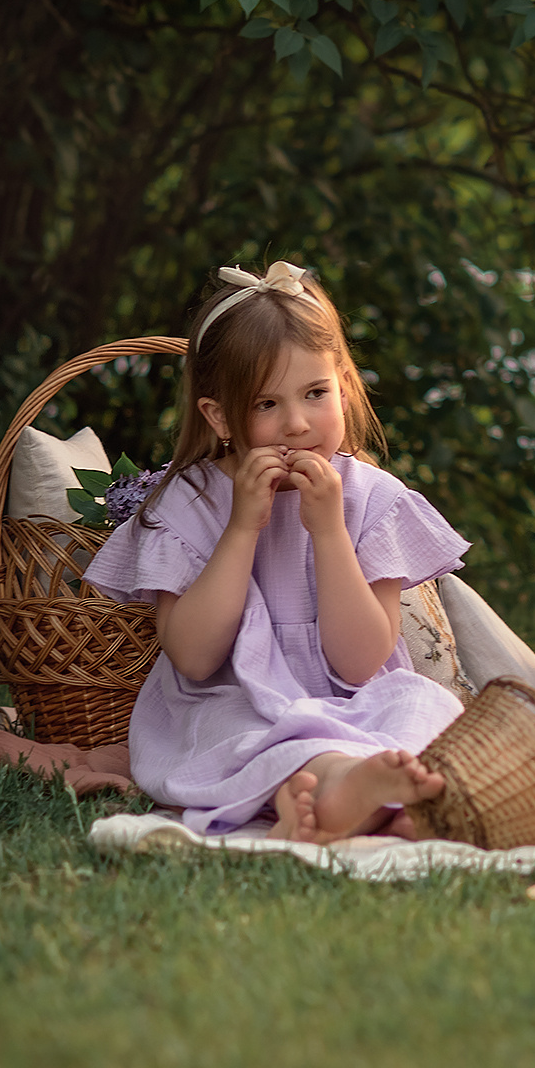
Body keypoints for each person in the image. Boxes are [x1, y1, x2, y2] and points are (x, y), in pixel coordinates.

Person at [85, 259, 469, 843]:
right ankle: (349, 791)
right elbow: (192, 658)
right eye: (267, 405)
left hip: (351, 700)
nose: (297, 424)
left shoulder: (370, 499)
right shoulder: (187, 503)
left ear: (342, 386)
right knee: (237, 731)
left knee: (421, 704)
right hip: (231, 700)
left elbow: (363, 662)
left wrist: (330, 533)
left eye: (316, 394)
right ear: (219, 416)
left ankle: (353, 796)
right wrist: (242, 528)